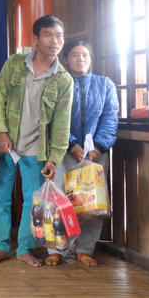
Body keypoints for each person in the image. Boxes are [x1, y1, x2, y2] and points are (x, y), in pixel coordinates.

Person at [0, 15, 73, 267]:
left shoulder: (63, 79)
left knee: (33, 202)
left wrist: (55, 158)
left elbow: (61, 122)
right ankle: (1, 247)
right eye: (48, 35)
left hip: (38, 151)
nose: (55, 41)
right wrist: (1, 132)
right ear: (35, 39)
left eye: (59, 36)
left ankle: (24, 248)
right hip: (8, 146)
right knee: (1, 198)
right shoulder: (14, 64)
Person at [45, 39, 118, 267]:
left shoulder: (105, 85)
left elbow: (110, 118)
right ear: (65, 59)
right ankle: (56, 249)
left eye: (85, 55)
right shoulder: (57, 84)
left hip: (95, 155)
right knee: (58, 202)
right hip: (64, 153)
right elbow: (53, 119)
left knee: (91, 204)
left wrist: (98, 148)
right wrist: (72, 145)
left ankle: (85, 249)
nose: (81, 59)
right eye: (75, 55)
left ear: (91, 59)